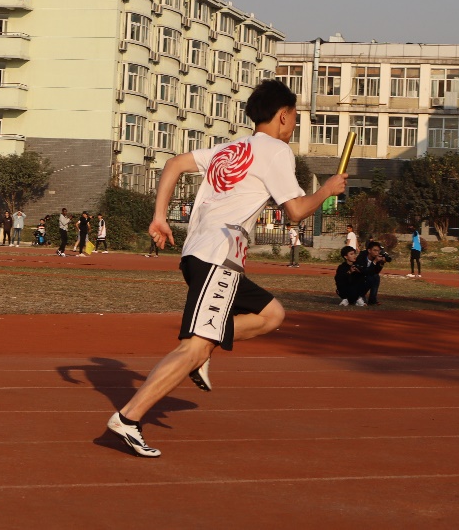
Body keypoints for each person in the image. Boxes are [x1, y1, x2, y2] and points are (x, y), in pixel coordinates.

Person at [105, 79, 347, 457]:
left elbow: (173, 164)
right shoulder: (276, 151)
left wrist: (160, 217)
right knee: (193, 348)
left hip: (203, 254)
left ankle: (206, 347)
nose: (295, 125)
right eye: (295, 117)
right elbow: (296, 211)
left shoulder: (231, 148)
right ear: (283, 116)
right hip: (218, 255)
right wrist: (327, 190)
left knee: (272, 314)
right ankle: (129, 418)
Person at [358, 240, 388, 305]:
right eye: (375, 250)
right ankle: (360, 295)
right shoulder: (361, 257)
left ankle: (372, 300)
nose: (377, 253)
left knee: (376, 276)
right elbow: (365, 272)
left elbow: (376, 272)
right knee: (373, 276)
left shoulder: (376, 258)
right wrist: (374, 262)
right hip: (358, 281)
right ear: (369, 250)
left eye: (378, 251)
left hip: (366, 280)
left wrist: (381, 263)